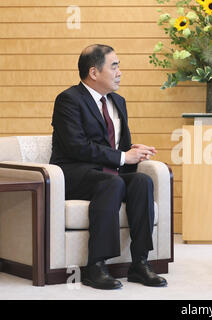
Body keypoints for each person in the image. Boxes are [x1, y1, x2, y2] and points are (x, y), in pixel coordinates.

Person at [50, 44, 167, 290]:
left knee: (142, 181)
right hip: (73, 174)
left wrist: (134, 150)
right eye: (114, 66)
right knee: (111, 182)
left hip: (107, 174)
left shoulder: (118, 101)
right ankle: (96, 265)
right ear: (94, 72)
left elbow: (118, 145)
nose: (119, 72)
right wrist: (123, 156)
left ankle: (140, 263)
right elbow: (76, 147)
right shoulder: (68, 100)